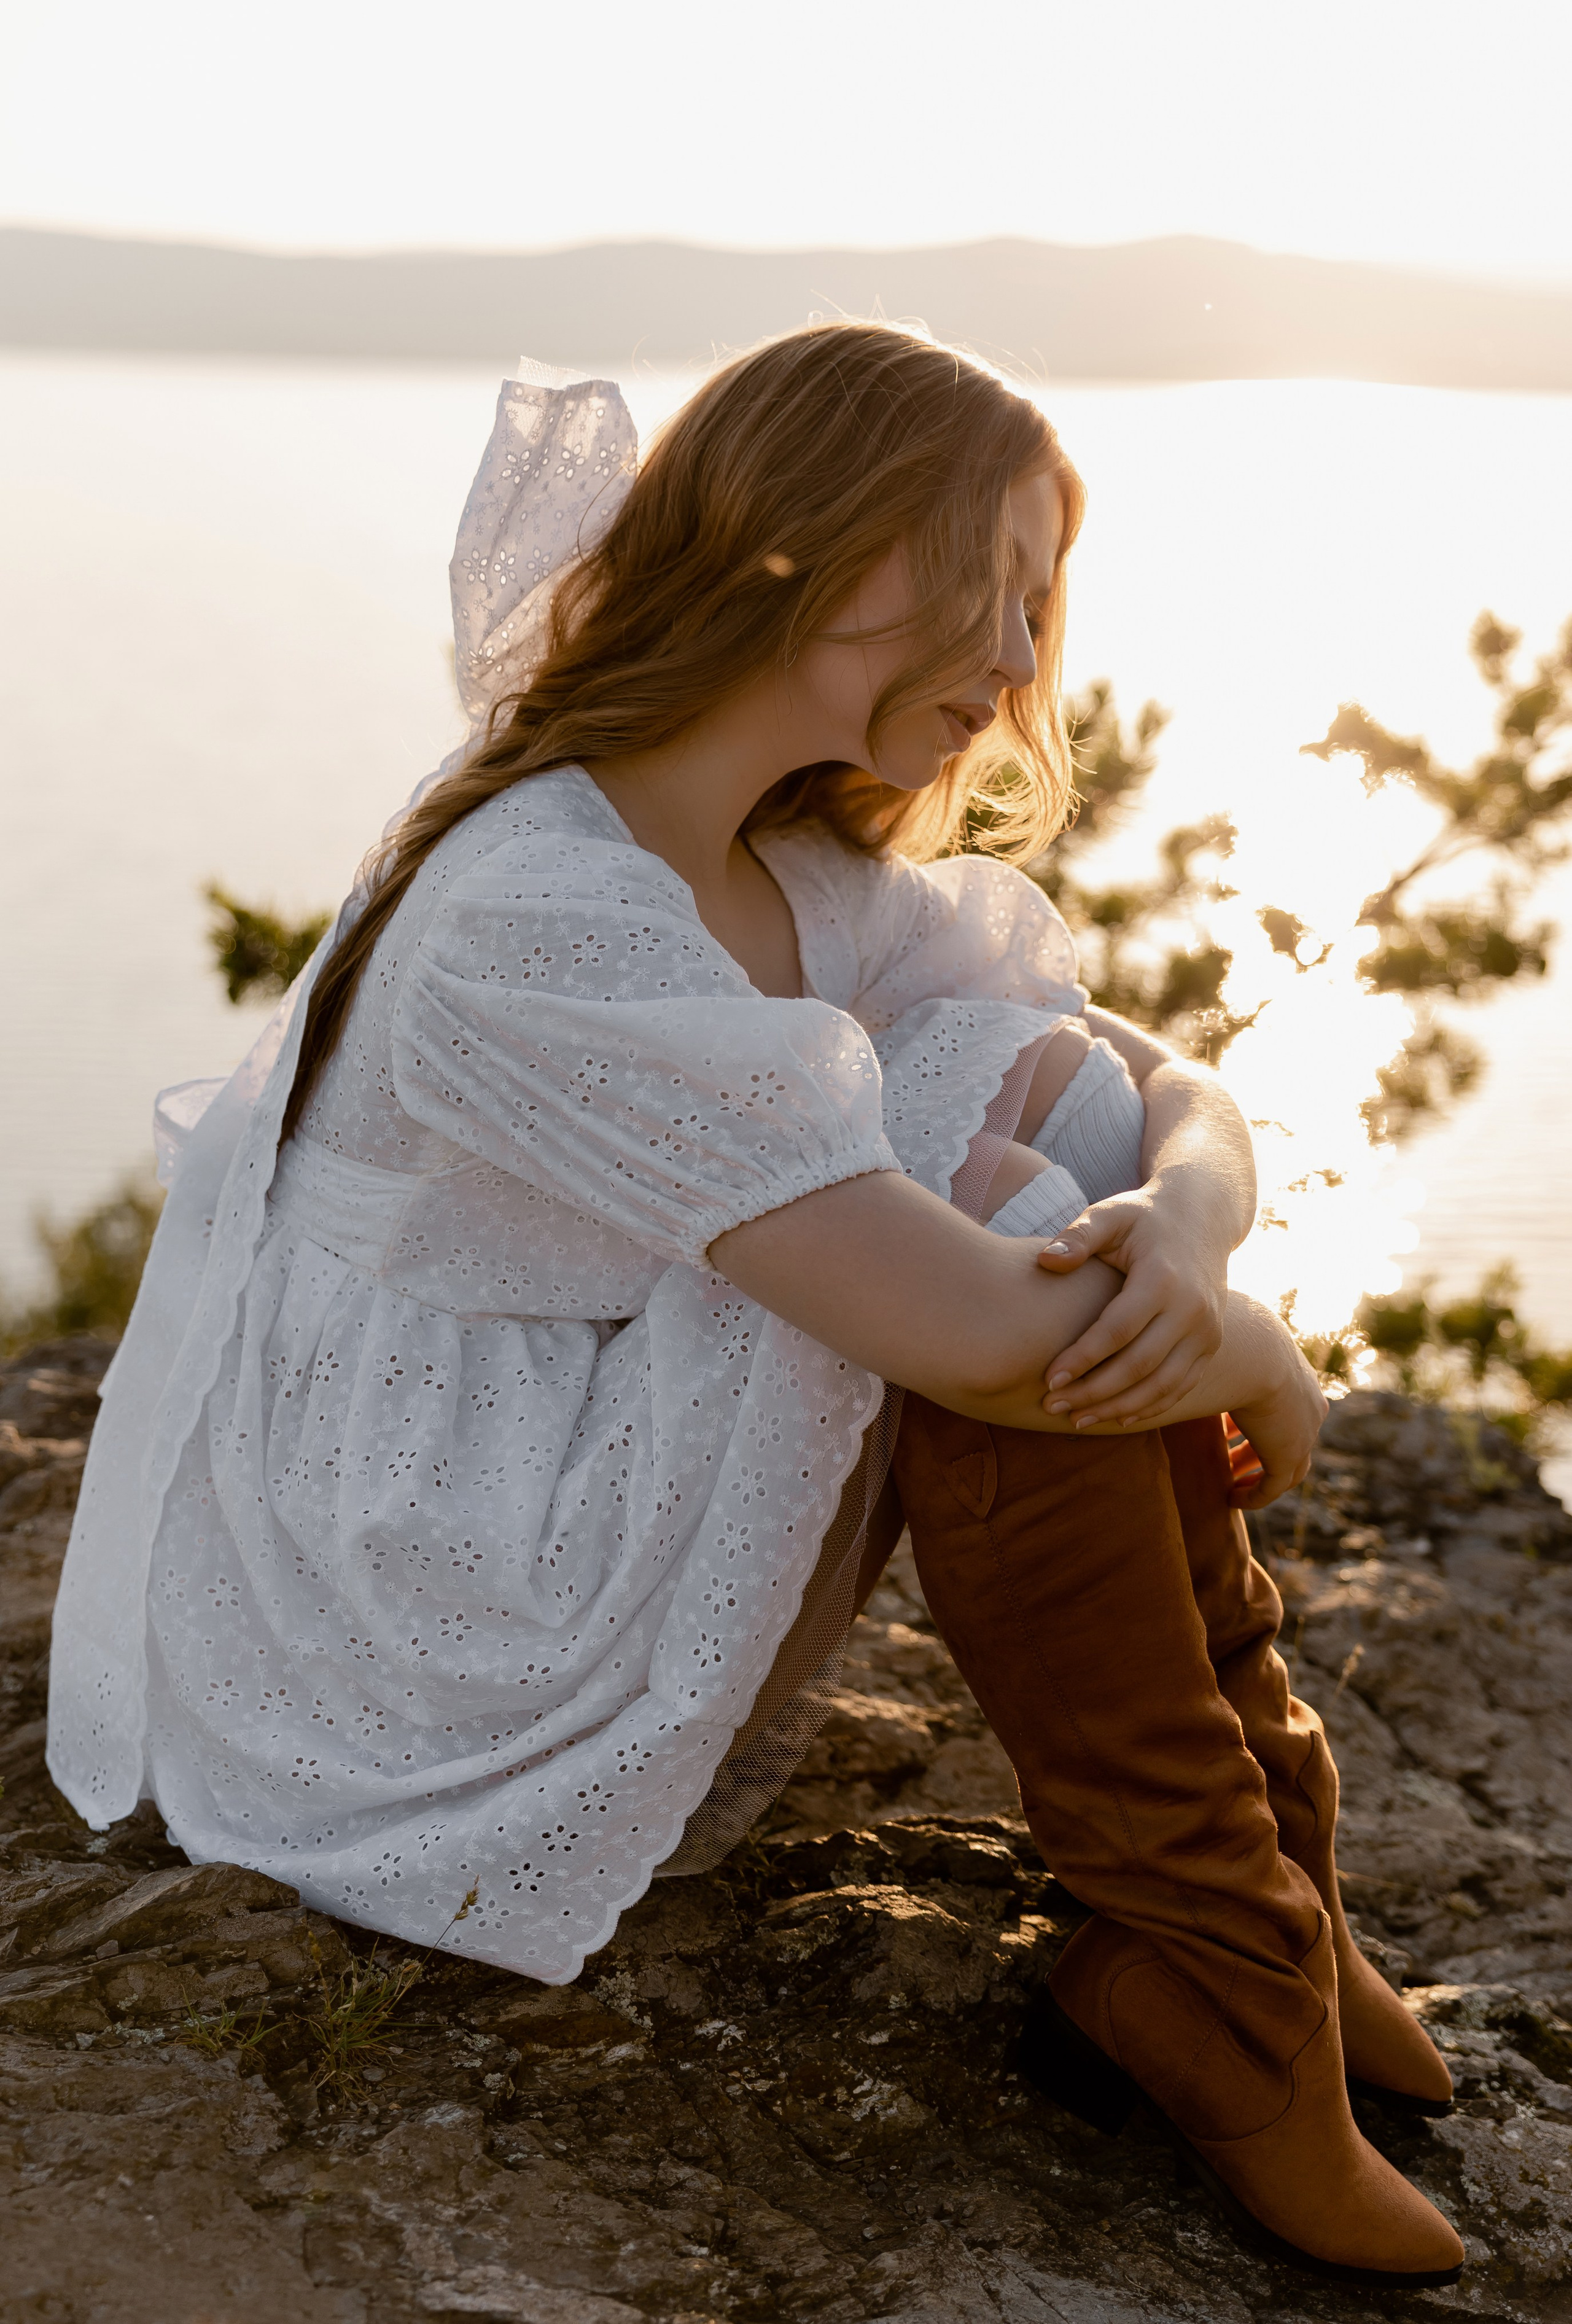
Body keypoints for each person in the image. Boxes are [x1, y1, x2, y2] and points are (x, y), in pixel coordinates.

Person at [47, 325, 1462, 2289]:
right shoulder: (531, 902)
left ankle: (1258, 1913)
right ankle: (1223, 1966)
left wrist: (1202, 1240)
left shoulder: (777, 863)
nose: (1026, 660)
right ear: (822, 550)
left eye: (1048, 601)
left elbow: (1154, 1077)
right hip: (426, 1615)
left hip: (567, 1473)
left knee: (1043, 1133)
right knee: (998, 1208)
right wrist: (1247, 1352)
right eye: (999, 586)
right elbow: (977, 1332)